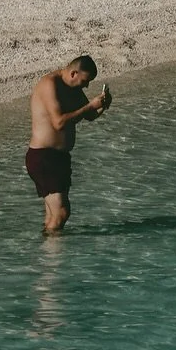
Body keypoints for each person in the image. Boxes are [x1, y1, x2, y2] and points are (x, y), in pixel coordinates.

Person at [27, 54, 111, 233]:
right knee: (62, 213)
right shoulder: (50, 84)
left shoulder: (73, 88)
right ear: (74, 73)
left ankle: (49, 256)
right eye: (85, 81)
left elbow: (89, 115)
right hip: (43, 156)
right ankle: (53, 257)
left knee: (53, 216)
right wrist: (90, 106)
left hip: (60, 158)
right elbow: (58, 122)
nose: (86, 86)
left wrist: (102, 105)